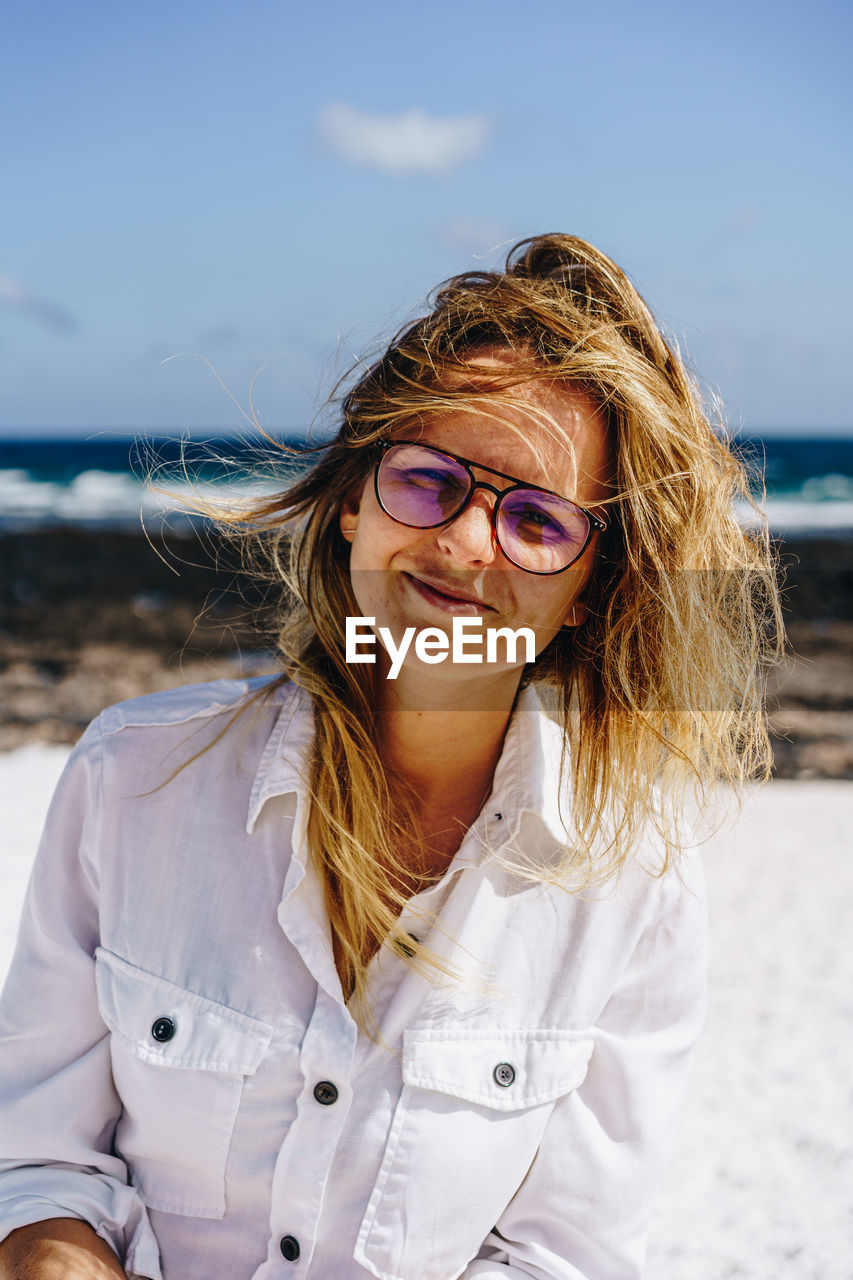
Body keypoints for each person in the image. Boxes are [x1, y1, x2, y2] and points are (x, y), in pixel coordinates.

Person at [0, 234, 780, 1280]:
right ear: (353, 499)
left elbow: (563, 1255)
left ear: (589, 587)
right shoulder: (133, 778)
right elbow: (35, 1160)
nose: (465, 545)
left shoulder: (630, 881)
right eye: (429, 481)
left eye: (537, 519)